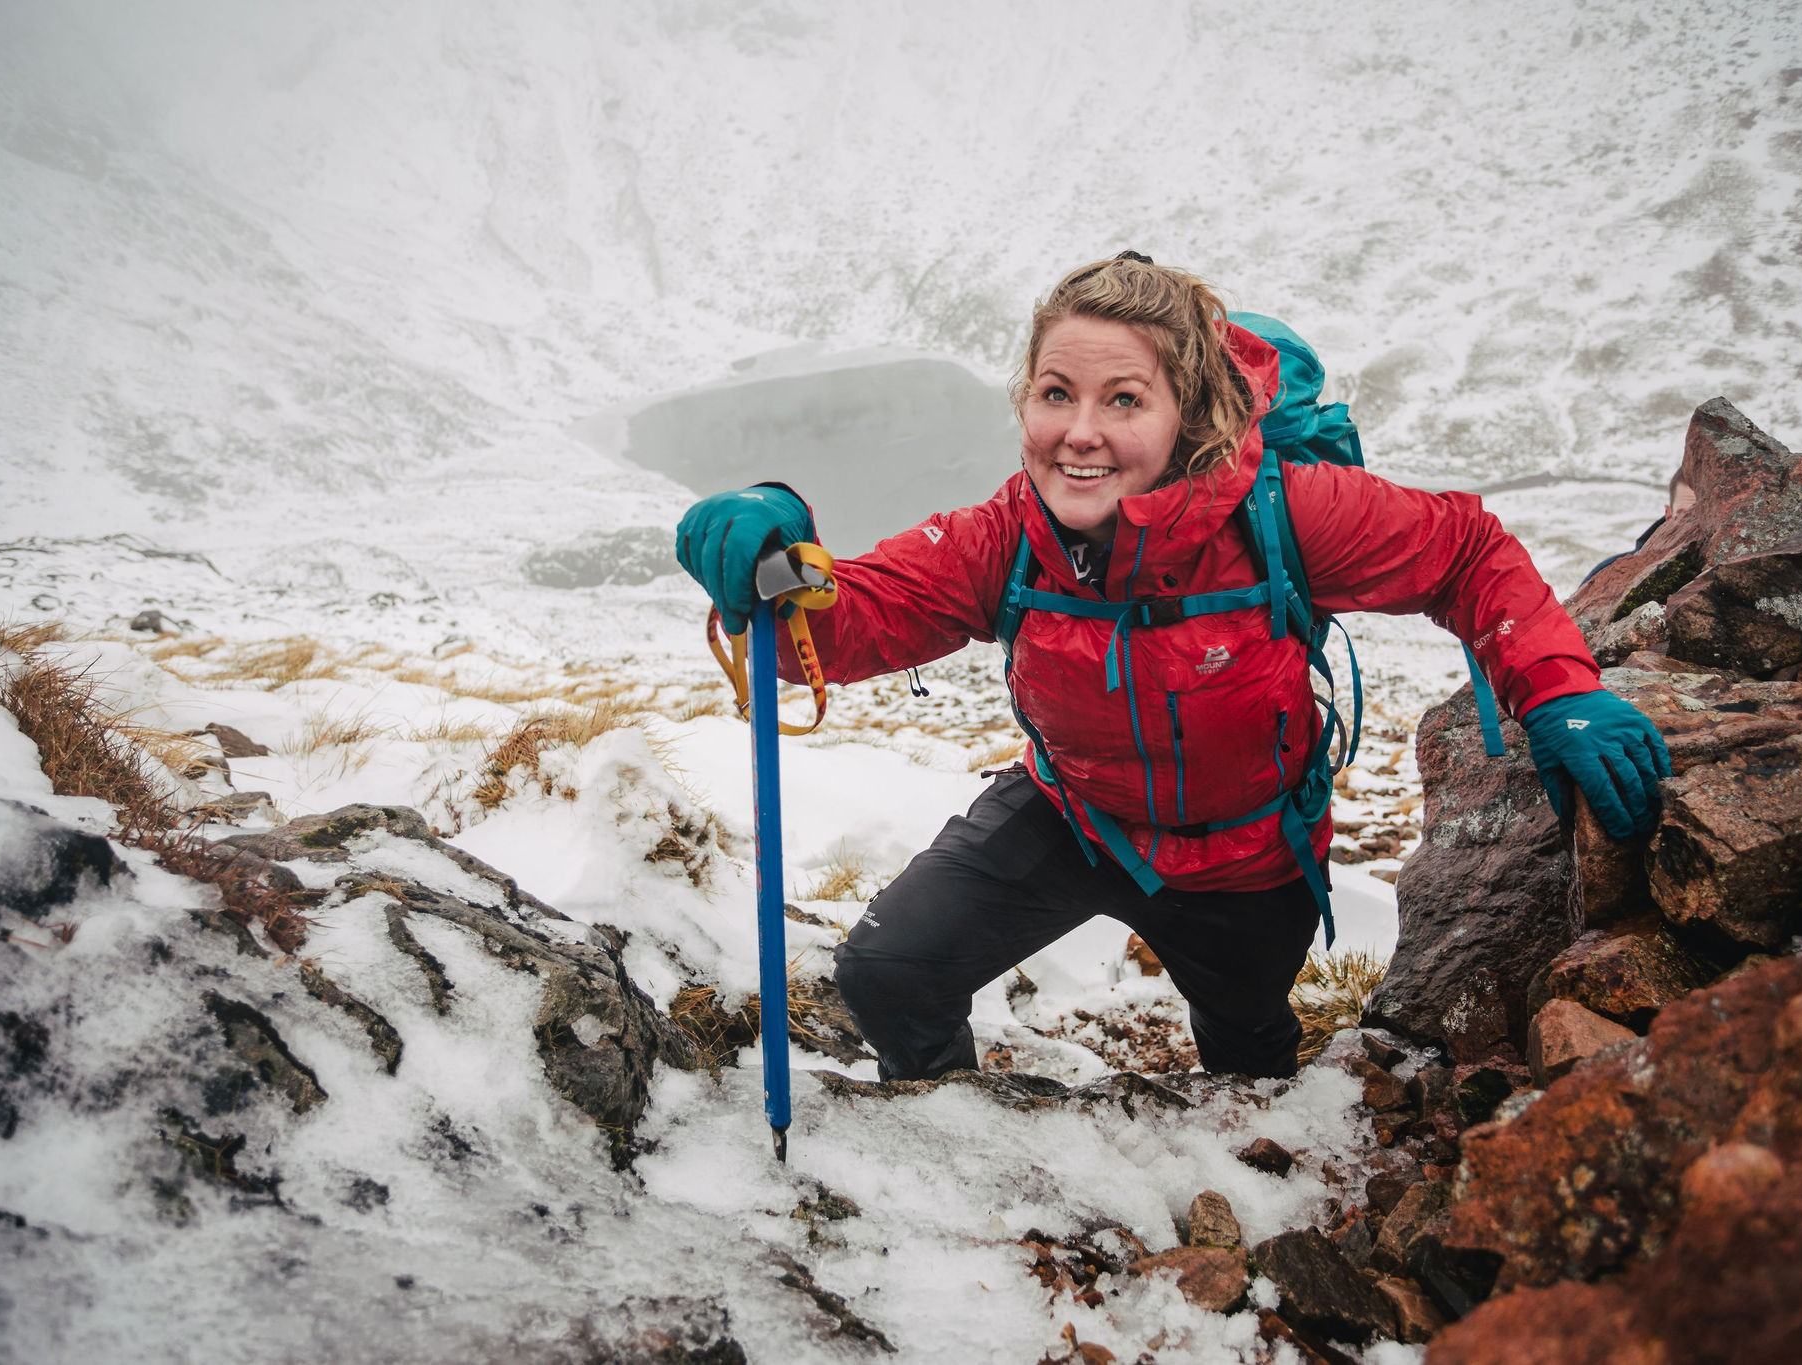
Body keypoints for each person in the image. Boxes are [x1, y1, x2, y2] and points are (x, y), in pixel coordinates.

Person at [675, 255, 1669, 1083]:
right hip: (1071, 817)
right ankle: (949, 1144)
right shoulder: (1003, 537)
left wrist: (1558, 687)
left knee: (1244, 1050)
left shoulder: (1286, 512)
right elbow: (850, 623)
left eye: (1123, 400)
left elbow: (1463, 551)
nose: (1079, 432)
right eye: (1054, 394)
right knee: (890, 971)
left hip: (1246, 860)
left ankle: (1243, 1168)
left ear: (1185, 408)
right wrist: (773, 553)